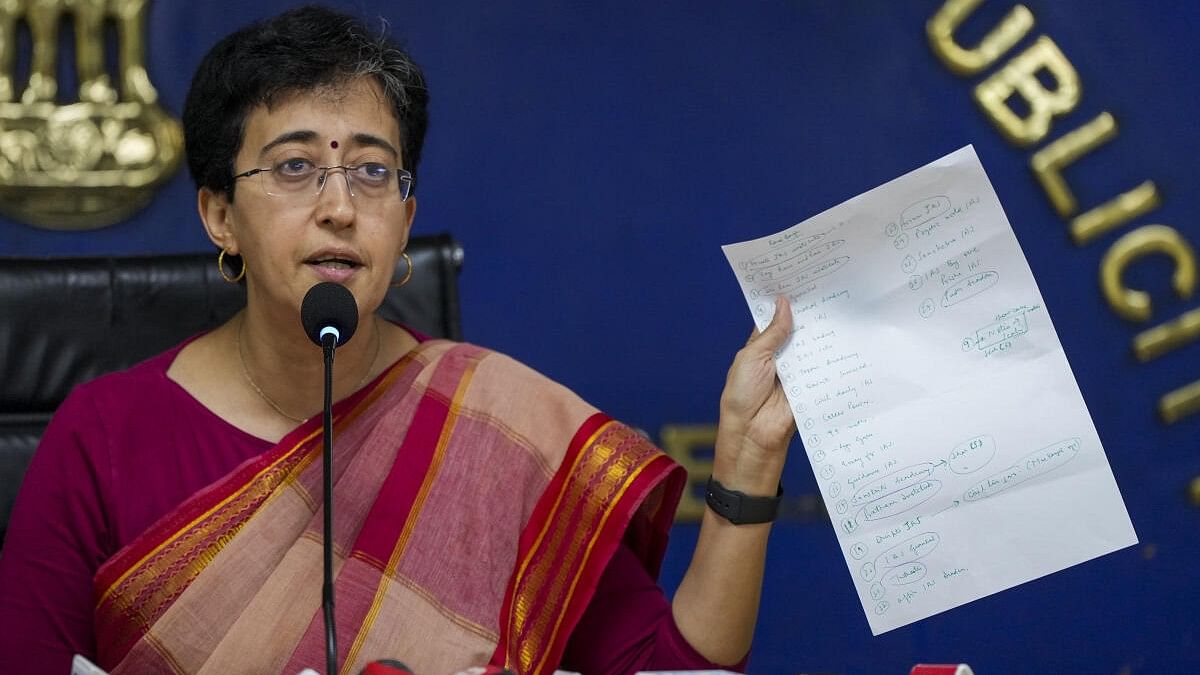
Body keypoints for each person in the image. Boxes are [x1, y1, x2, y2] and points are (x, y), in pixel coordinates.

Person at [0, 5, 795, 674]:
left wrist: (746, 475)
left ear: (406, 220)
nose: (340, 205)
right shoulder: (101, 437)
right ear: (219, 217)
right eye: (294, 167)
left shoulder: (498, 425)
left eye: (373, 172)